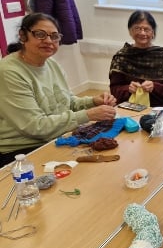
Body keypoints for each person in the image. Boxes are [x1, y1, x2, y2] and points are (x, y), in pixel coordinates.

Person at [0, 13, 116, 167]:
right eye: (40, 35)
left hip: (54, 137)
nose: (48, 41)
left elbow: (67, 102)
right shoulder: (9, 72)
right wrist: (88, 114)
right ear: (23, 35)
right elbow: (35, 126)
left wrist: (93, 101)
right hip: (22, 150)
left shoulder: (51, 64)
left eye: (54, 36)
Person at [109, 10, 163, 107]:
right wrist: (128, 89)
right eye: (137, 28)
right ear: (130, 31)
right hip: (128, 107)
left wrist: (155, 87)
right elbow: (114, 90)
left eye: (146, 29)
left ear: (153, 32)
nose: (142, 33)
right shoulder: (122, 57)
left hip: (158, 108)